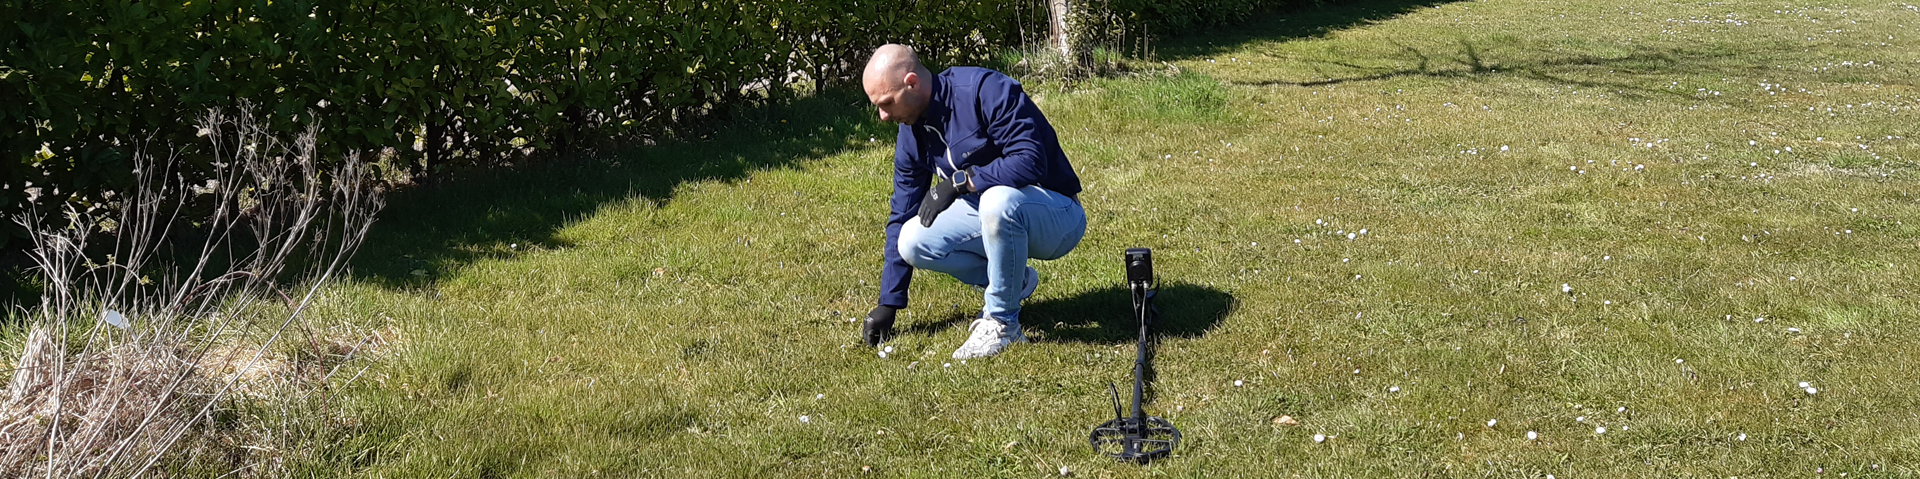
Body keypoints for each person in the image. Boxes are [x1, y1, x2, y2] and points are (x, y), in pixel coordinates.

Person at [858, 44, 1087, 359]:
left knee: (996, 200)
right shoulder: (910, 131)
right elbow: (902, 213)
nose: (883, 116)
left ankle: (1003, 324)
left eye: (886, 103)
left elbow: (1031, 161)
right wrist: (889, 302)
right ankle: (1012, 282)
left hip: (1058, 215)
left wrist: (962, 182)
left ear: (911, 82)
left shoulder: (985, 90)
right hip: (995, 214)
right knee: (911, 240)